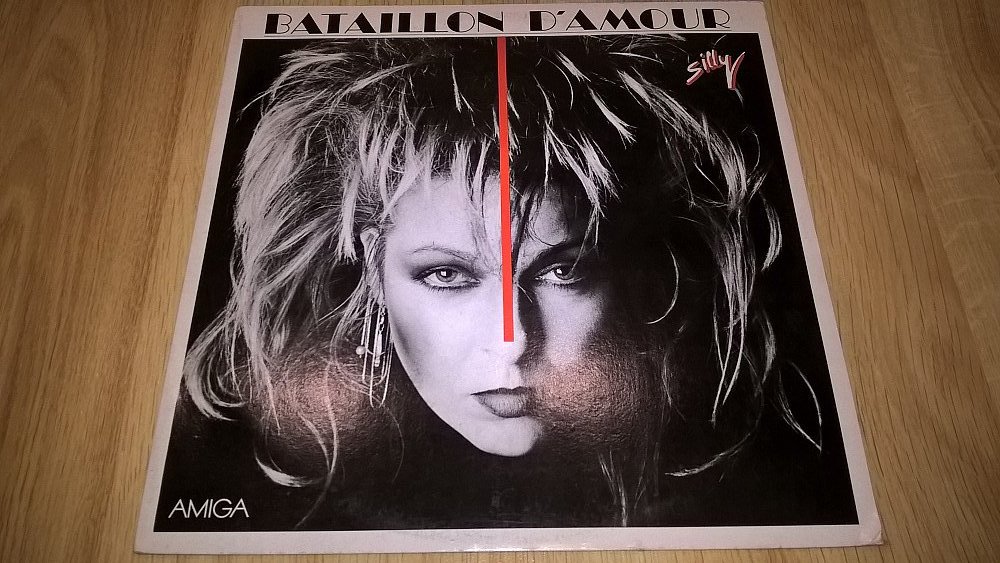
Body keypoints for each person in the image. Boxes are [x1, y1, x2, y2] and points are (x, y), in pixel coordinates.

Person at [166, 35, 845, 529]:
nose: (513, 338)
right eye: (447, 274)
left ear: (625, 271)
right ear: (372, 262)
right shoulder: (264, 486)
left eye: (562, 270)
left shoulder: (764, 488)